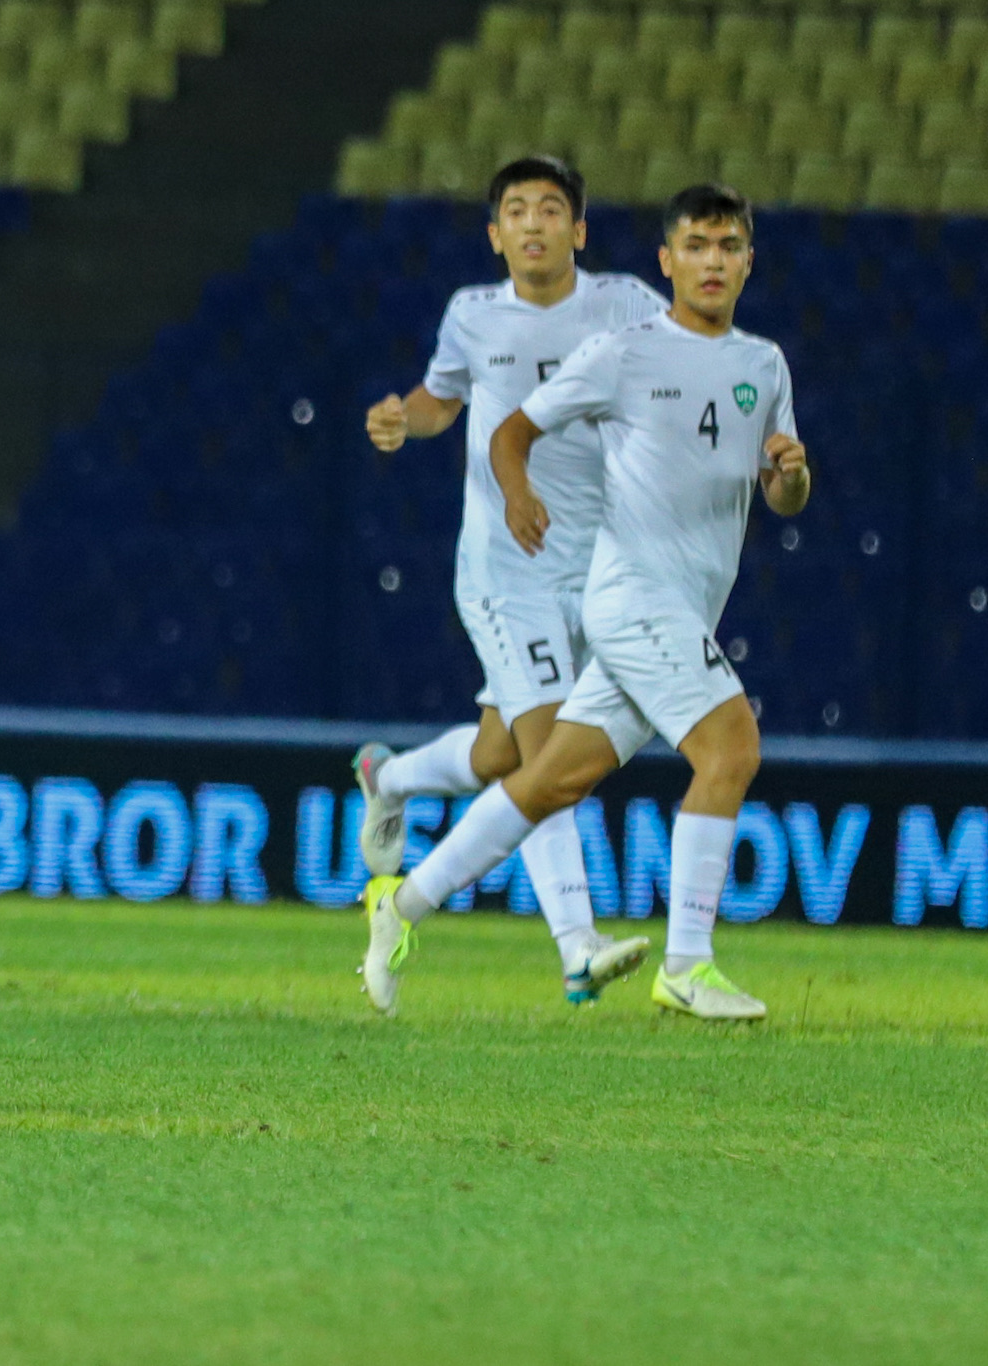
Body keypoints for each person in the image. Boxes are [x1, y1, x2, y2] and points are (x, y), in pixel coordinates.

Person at [363, 183, 808, 1022]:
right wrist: (518, 492)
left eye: (729, 247)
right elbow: (510, 432)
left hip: (686, 605)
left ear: (748, 262)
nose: (713, 262)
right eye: (697, 247)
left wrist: (792, 477)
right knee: (731, 749)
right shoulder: (626, 353)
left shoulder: (764, 366)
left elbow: (782, 497)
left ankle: (401, 905)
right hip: (632, 598)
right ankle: (687, 965)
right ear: (666, 262)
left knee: (546, 781)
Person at [358, 156, 663, 1005]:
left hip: (598, 570)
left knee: (499, 753)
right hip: (504, 573)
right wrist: (401, 419)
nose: (534, 224)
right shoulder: (473, 315)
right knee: (547, 751)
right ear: (495, 236)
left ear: (580, 231)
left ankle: (392, 777)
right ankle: (577, 949)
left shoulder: (627, 305)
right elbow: (439, 400)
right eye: (517, 212)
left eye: (552, 209)